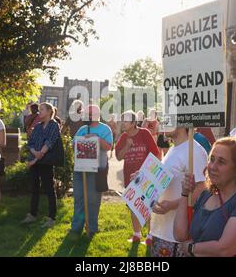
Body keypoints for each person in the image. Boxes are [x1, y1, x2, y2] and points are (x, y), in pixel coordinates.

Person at [175, 136, 236, 257]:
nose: (212, 166)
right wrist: (185, 194)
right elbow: (180, 235)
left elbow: (225, 249)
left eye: (221, 162)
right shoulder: (206, 194)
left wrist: (191, 248)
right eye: (212, 159)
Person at [150, 126, 208, 257]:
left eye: (169, 118)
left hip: (176, 236)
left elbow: (201, 189)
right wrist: (142, 177)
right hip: (162, 229)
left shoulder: (194, 150)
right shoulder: (174, 148)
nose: (164, 123)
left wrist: (172, 205)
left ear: (183, 122)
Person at [115, 110, 161, 245]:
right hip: (130, 178)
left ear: (134, 123)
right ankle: (136, 234)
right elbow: (118, 157)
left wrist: (148, 174)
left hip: (146, 178)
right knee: (134, 205)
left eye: (126, 120)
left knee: (148, 206)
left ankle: (150, 236)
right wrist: (127, 146)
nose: (123, 123)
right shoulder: (123, 137)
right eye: (122, 120)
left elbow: (156, 154)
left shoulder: (144, 133)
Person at [71, 105, 113, 238]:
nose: (86, 116)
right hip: (80, 169)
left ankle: (92, 228)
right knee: (79, 198)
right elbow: (74, 145)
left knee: (93, 200)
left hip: (97, 170)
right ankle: (76, 228)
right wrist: (82, 140)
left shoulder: (105, 129)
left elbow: (108, 146)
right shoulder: (82, 129)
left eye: (89, 114)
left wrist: (96, 138)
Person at [21, 103, 61, 228]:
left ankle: (51, 218)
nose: (39, 113)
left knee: (49, 188)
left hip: (46, 162)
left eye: (42, 110)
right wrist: (34, 153)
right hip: (35, 159)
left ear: (49, 112)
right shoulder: (37, 126)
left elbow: (49, 142)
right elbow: (30, 142)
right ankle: (32, 214)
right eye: (39, 110)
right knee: (34, 188)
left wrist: (35, 159)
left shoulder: (54, 125)